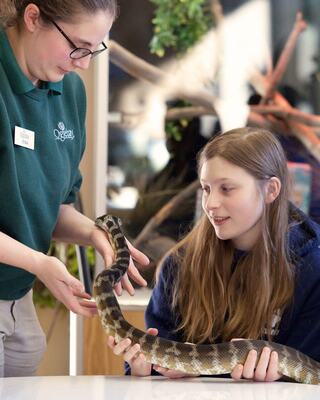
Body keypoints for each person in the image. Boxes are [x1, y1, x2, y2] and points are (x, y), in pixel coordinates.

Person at [0, 0, 149, 378]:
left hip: (18, 296)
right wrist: (40, 263)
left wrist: (95, 235)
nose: (83, 63)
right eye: (77, 46)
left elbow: (55, 206)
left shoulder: (69, 93)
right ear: (33, 18)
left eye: (94, 50)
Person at [108, 127, 320, 382]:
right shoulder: (179, 265)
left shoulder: (313, 267)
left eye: (227, 189)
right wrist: (142, 369)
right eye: (206, 189)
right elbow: (159, 367)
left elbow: (312, 374)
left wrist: (278, 378)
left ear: (271, 190)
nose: (210, 204)